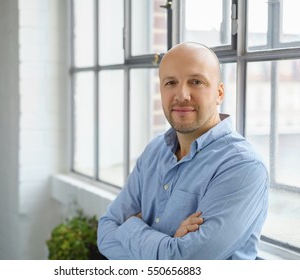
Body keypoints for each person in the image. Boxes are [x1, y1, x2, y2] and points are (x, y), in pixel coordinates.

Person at [97, 42, 269, 260]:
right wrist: (170, 242)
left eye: (195, 82)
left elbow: (184, 264)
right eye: (171, 83)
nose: (182, 95)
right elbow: (105, 233)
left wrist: (131, 226)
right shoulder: (154, 151)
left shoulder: (243, 166)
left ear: (219, 92)